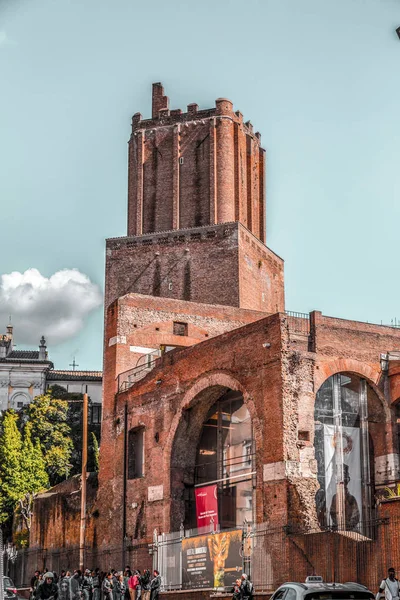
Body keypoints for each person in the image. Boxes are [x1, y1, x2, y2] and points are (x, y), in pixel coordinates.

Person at [329, 464, 360, 530]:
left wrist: (348, 526)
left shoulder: (351, 499)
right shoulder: (335, 498)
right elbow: (333, 513)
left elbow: (356, 516)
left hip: (350, 530)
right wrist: (339, 524)